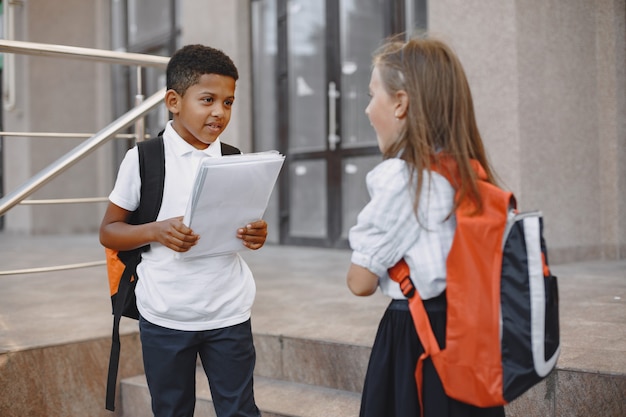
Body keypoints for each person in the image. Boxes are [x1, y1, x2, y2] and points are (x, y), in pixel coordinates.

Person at [100, 44, 265, 417]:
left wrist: (255, 234)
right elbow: (109, 231)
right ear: (174, 101)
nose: (219, 112)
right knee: (172, 410)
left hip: (229, 311)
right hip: (166, 314)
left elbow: (238, 226)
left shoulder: (233, 158)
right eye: (208, 100)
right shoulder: (144, 159)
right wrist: (156, 231)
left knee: (240, 409)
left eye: (228, 102)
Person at [346, 35, 506, 417]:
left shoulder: (404, 181)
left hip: (416, 338)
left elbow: (360, 282)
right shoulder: (469, 175)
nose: (368, 110)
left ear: (400, 103)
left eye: (373, 95)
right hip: (467, 336)